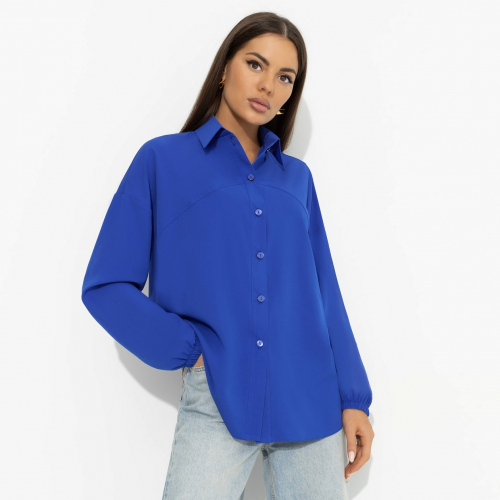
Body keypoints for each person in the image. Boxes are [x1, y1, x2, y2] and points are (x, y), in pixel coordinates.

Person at [81, 11, 374, 500]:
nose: (268, 86)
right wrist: (191, 351)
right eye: (255, 64)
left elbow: (325, 293)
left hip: (311, 400)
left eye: (285, 77)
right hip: (217, 392)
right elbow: (106, 285)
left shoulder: (297, 180)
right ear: (224, 68)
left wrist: (354, 398)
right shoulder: (162, 161)